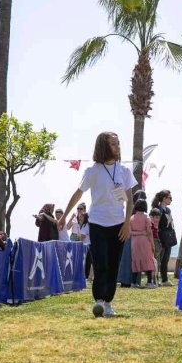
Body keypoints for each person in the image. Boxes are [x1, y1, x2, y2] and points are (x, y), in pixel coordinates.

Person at [57, 131, 134, 317]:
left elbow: (130, 199)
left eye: (118, 143)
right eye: (113, 144)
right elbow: (78, 194)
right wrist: (64, 216)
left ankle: (108, 302)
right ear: (103, 146)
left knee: (114, 265)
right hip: (97, 224)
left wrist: (127, 223)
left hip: (118, 225)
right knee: (101, 264)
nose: (117, 147)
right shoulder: (92, 171)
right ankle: (99, 300)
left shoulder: (124, 171)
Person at [130, 199, 157, 288]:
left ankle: (134, 283)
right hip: (145, 241)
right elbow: (149, 232)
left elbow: (130, 232)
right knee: (148, 260)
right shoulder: (146, 217)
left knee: (136, 260)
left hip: (135, 241)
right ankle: (149, 282)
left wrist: (139, 233)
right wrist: (152, 244)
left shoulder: (132, 217)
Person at [152, 190, 177, 285]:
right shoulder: (157, 209)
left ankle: (164, 279)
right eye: (170, 198)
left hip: (168, 238)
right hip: (159, 237)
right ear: (164, 199)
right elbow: (155, 224)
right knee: (158, 259)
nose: (171, 199)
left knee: (165, 259)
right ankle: (155, 279)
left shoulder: (168, 210)